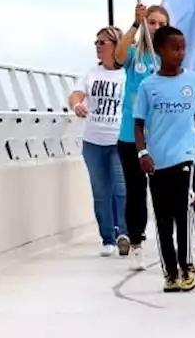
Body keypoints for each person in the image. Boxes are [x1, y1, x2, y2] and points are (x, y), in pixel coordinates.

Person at [134, 25, 195, 293]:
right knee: (162, 218)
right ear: (160, 50)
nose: (180, 53)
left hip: (185, 156)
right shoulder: (148, 85)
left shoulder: (193, 80)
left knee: (182, 213)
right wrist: (142, 152)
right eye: (174, 48)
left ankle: (187, 266)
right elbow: (138, 123)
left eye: (183, 47)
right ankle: (170, 272)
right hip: (157, 160)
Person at [113, 4, 170, 269]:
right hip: (131, 136)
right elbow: (118, 55)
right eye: (152, 22)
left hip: (161, 136)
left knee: (162, 191)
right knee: (136, 191)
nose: (155, 27)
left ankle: (168, 242)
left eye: (161, 24)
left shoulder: (167, 60)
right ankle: (136, 241)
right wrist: (134, 25)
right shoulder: (136, 55)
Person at [69, 26, 129, 257]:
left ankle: (124, 232)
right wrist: (77, 105)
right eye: (96, 42)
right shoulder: (91, 73)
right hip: (93, 141)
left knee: (121, 188)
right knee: (101, 191)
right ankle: (107, 238)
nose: (97, 46)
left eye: (102, 42)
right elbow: (75, 94)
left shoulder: (126, 75)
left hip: (118, 139)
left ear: (116, 45)